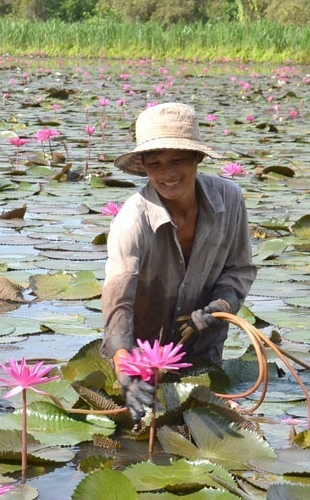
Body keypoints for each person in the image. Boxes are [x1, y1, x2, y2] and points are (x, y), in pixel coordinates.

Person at [101, 102, 256, 421]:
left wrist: (222, 305)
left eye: (178, 161)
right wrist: (125, 368)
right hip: (143, 357)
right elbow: (119, 304)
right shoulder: (132, 222)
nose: (168, 174)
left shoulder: (230, 199)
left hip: (204, 351)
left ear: (197, 158)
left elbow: (238, 270)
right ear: (143, 166)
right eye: (155, 163)